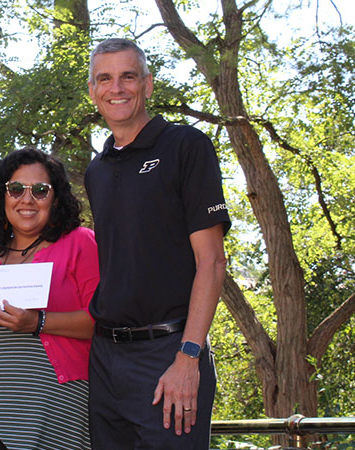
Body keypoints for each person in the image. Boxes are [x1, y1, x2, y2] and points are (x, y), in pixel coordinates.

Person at [84, 38, 231, 449]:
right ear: (93, 91)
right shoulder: (96, 170)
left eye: (128, 76)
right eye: (105, 78)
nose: (117, 88)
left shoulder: (186, 146)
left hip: (168, 353)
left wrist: (188, 357)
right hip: (106, 358)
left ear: (147, 85)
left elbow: (212, 263)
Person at [0, 147, 100, 450]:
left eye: (40, 190)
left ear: (56, 199)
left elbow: (103, 321)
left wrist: (38, 322)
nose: (26, 199)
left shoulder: (80, 243)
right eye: (16, 189)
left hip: (56, 407)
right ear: (1, 197)